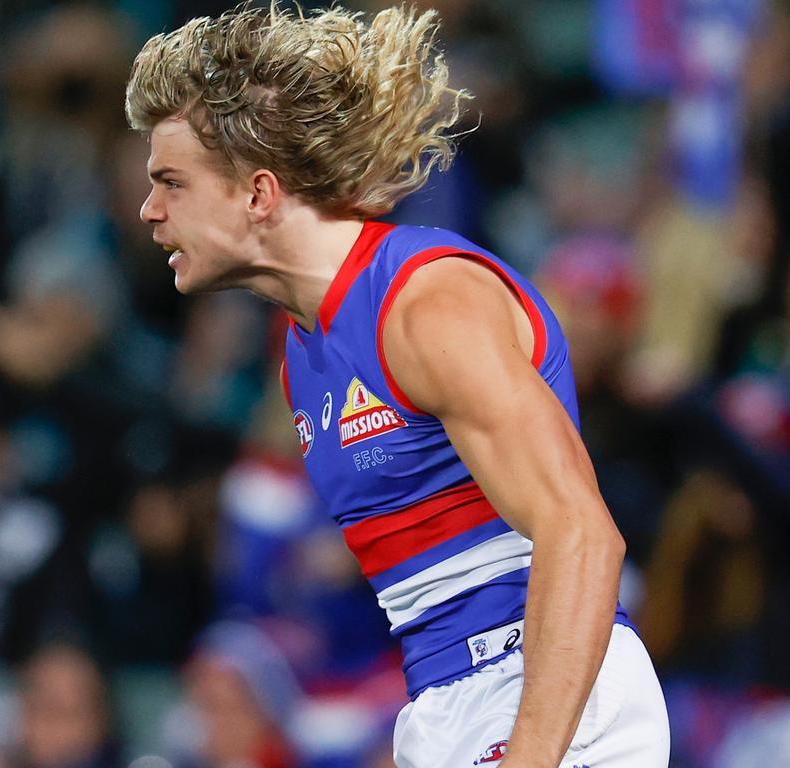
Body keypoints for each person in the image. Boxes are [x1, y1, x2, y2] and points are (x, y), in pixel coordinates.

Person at [126, 4, 670, 767]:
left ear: (256, 193)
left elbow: (582, 535)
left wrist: (530, 756)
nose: (149, 210)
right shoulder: (304, 352)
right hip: (446, 704)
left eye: (171, 182)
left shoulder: (424, 303)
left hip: (547, 695)